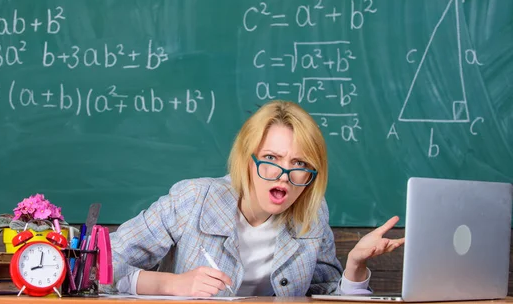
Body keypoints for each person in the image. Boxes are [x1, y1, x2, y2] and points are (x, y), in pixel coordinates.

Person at [107, 100, 404, 297]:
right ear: (248, 161)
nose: (284, 175)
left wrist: (354, 265)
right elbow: (100, 266)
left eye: (299, 164)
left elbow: (326, 294)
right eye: (271, 158)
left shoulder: (312, 214)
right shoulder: (193, 199)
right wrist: (172, 284)